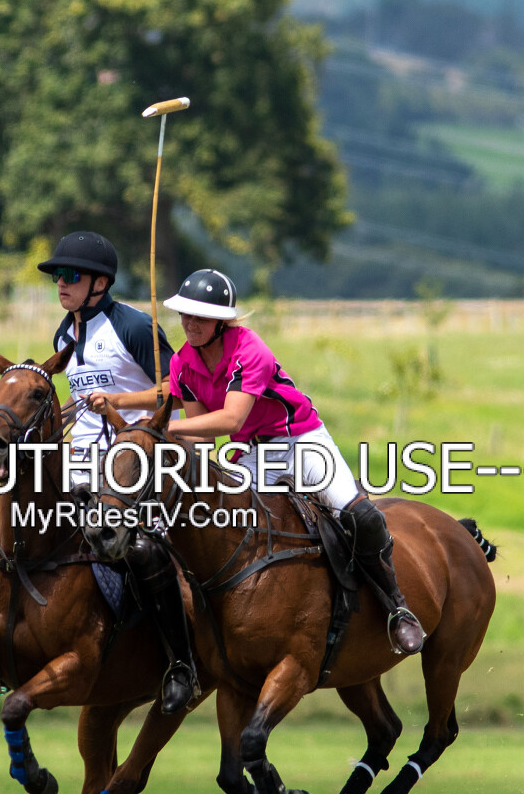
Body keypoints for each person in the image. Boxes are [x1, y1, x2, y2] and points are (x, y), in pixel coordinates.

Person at [89, 269, 426, 656]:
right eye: (185, 315)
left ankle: (397, 608)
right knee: (213, 520)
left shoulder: (250, 350)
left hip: (301, 441)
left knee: (360, 516)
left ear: (221, 321)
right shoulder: (183, 362)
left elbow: (231, 419)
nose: (190, 323)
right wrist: (147, 435)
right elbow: (203, 435)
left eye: (200, 317)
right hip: (251, 453)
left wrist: (159, 429)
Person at [0, 230, 198, 713]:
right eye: (57, 275)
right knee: (11, 531)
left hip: (139, 463)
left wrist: (118, 400)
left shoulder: (134, 327)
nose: (61, 283)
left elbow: (179, 391)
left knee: (142, 550)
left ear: (100, 283)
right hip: (83, 465)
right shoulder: (64, 336)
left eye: (71, 275)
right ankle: (5, 649)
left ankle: (182, 666)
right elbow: (76, 405)